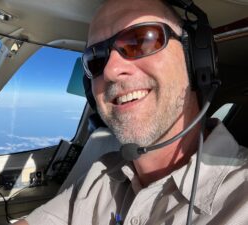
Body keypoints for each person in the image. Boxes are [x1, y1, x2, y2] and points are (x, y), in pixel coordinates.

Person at [15, 0, 248, 224]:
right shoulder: (102, 175)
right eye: (96, 59)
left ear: (196, 61)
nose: (110, 71)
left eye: (140, 41)